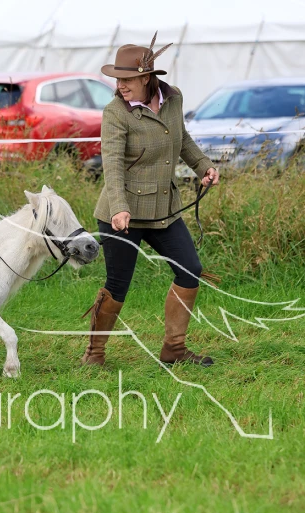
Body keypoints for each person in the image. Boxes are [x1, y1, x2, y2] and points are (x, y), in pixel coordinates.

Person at [81, 33, 220, 368]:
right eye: (117, 79)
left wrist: (204, 166)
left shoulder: (173, 99)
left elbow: (182, 139)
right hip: (121, 215)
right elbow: (112, 163)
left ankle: (174, 349)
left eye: (127, 79)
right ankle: (94, 355)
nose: (120, 85)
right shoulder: (115, 112)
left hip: (164, 211)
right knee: (118, 284)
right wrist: (119, 207)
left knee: (190, 270)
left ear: (146, 78)